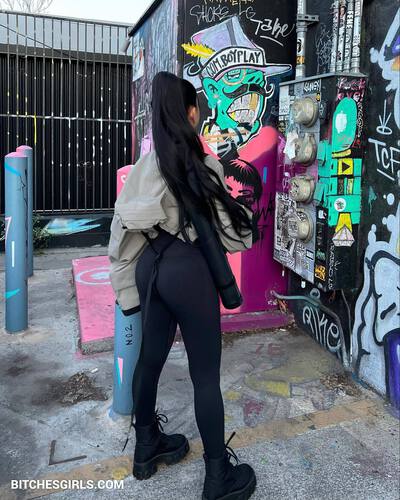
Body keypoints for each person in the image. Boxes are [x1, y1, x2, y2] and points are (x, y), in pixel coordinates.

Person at [108, 71, 257, 500]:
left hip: (149, 268)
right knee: (205, 375)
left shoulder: (143, 167)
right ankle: (218, 478)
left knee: (149, 361)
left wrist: (125, 286)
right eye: (198, 110)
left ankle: (146, 448)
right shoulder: (201, 164)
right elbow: (234, 234)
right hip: (189, 272)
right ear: (190, 114)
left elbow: (121, 234)